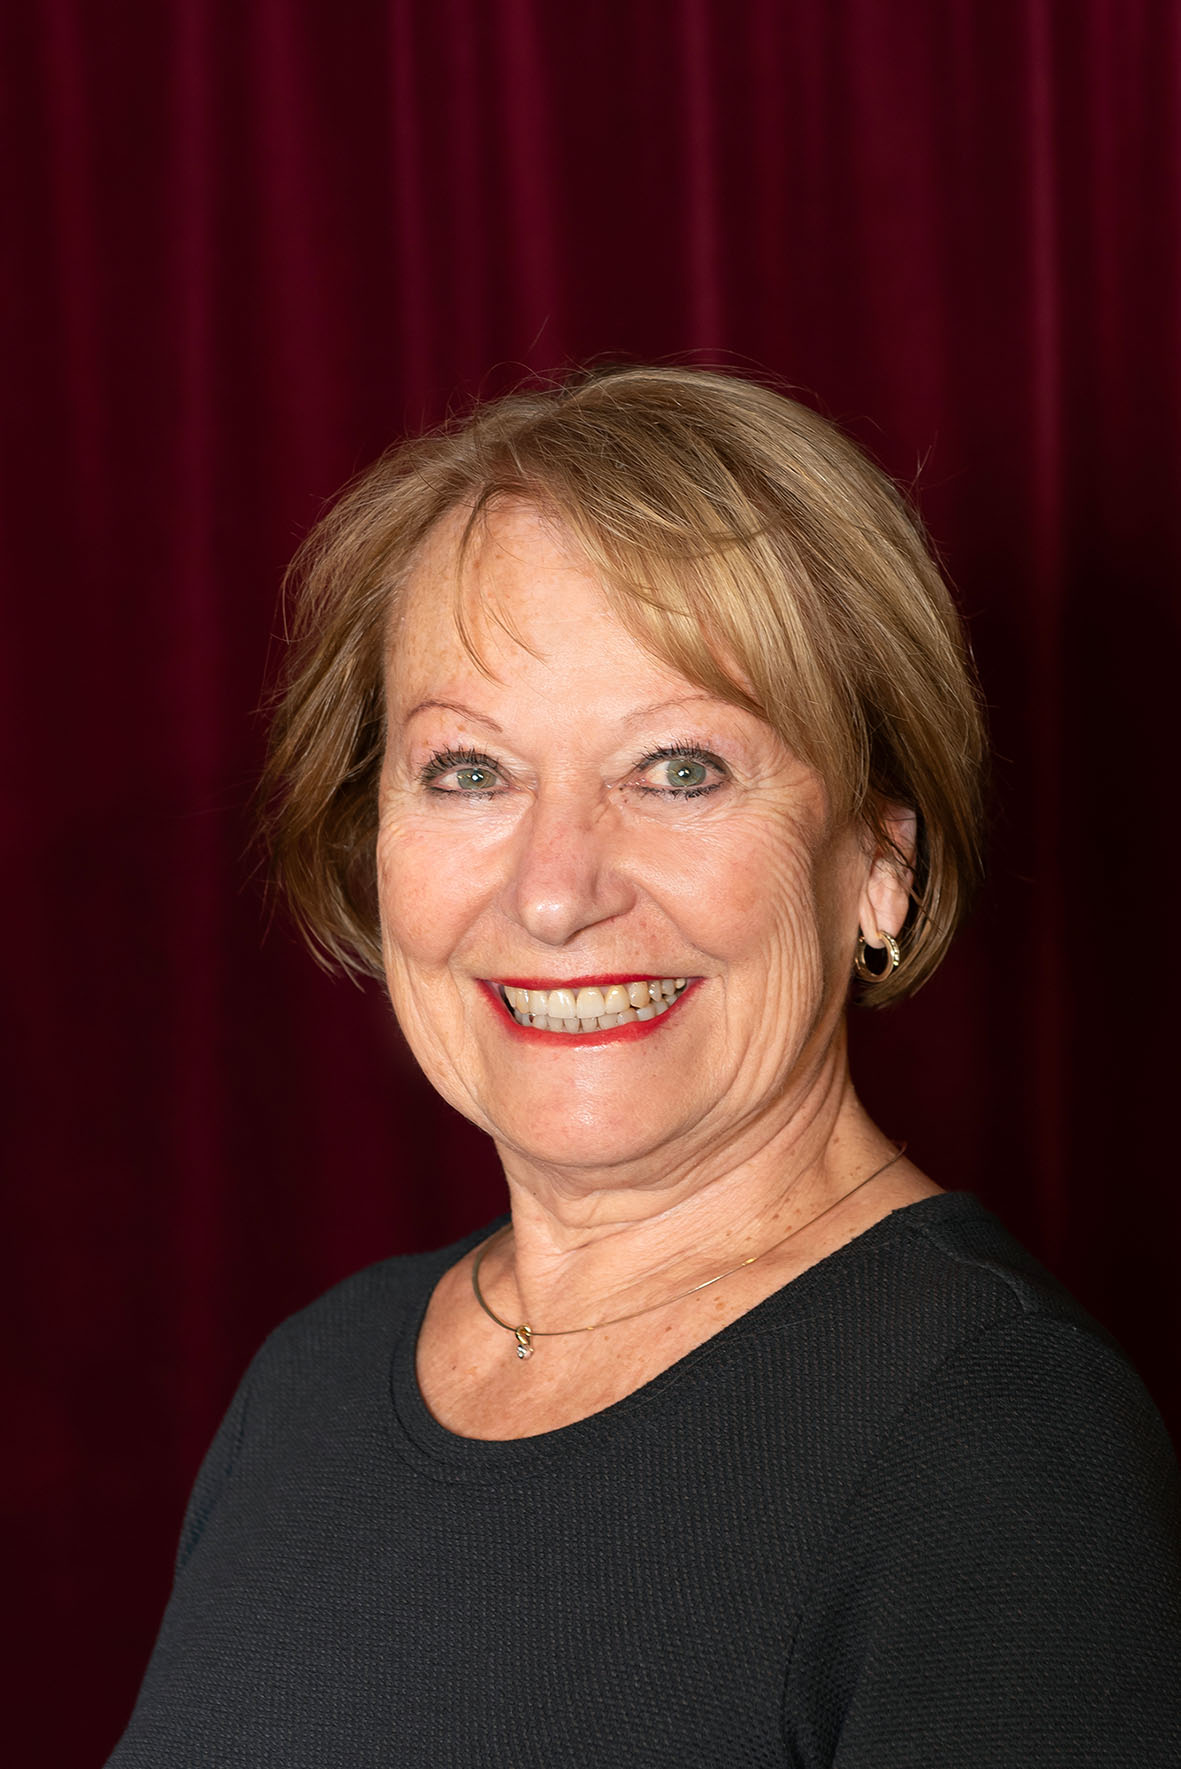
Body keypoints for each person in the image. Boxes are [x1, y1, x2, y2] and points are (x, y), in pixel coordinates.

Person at [108, 366, 1180, 1766]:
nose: (555, 891)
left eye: (678, 769)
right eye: (470, 772)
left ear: (877, 860)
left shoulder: (993, 1437)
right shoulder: (310, 1388)